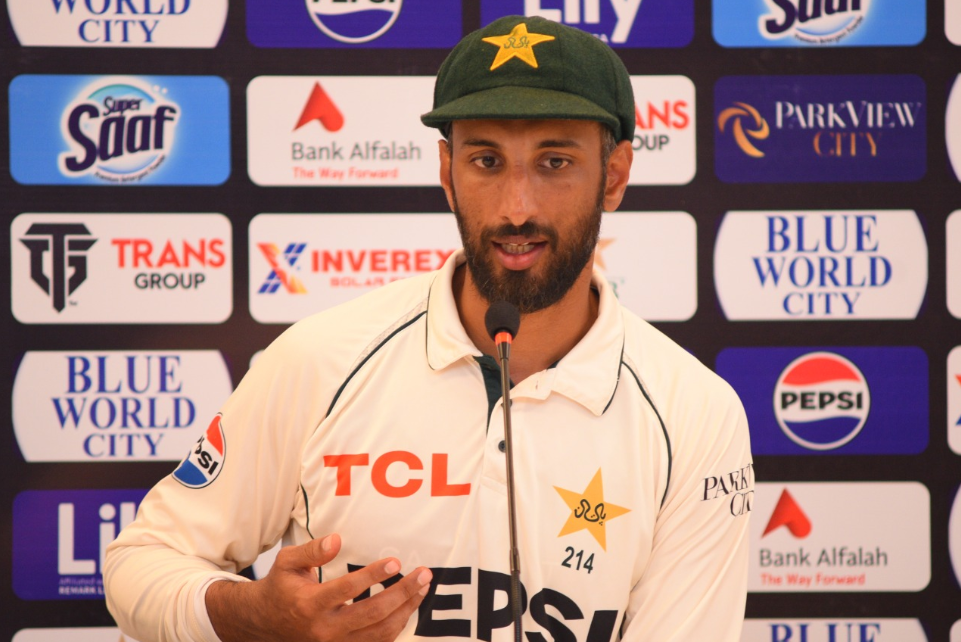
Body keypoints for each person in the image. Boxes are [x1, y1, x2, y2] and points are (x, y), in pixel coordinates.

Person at [105, 15, 753, 642]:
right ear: (447, 173)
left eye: (554, 162)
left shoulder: (692, 413)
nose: (516, 208)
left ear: (613, 177)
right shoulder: (322, 360)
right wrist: (250, 616)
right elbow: (143, 561)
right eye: (486, 161)